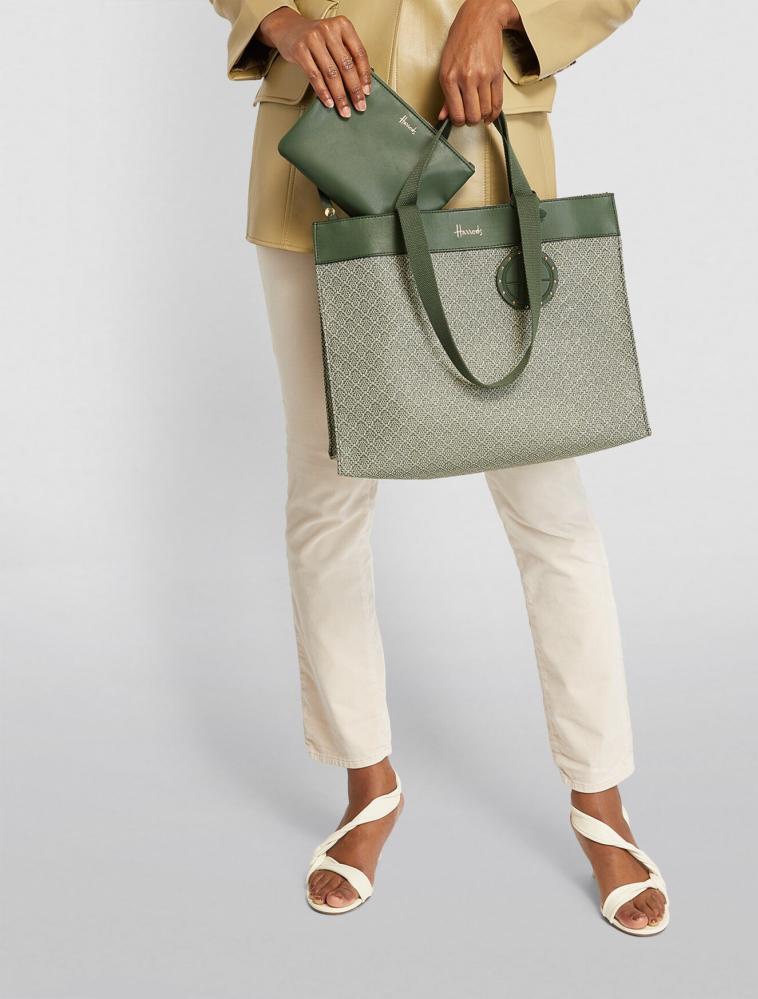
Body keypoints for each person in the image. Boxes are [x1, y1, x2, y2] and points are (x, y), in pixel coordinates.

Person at [209, 0, 669, 935]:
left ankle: (601, 797)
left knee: (549, 511)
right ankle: (366, 781)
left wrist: (500, 10)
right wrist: (279, 20)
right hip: (326, 144)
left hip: (481, 139)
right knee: (326, 494)